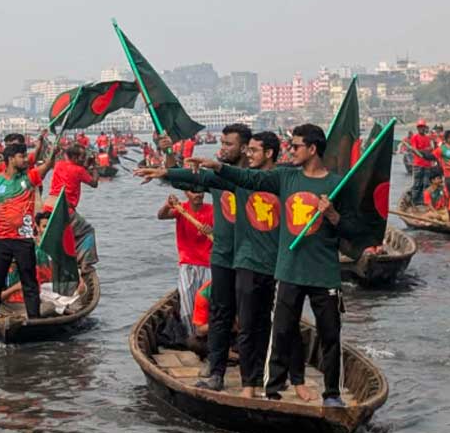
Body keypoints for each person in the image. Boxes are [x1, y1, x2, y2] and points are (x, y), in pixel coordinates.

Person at [184, 124, 361, 408]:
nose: (290, 150)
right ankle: (273, 390)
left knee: (330, 334)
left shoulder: (337, 185)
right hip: (289, 269)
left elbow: (355, 230)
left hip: (324, 272)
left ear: (312, 149)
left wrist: (333, 215)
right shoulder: (285, 178)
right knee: (280, 331)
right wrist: (218, 167)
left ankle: (332, 395)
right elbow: (248, 179)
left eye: (296, 146)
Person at [144, 123, 252, 395]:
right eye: (222, 143)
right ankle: (216, 369)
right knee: (219, 313)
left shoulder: (258, 179)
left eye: (229, 144)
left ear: (245, 148)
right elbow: (184, 179)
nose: (222, 148)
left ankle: (254, 369)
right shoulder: (215, 179)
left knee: (253, 316)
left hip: (251, 258)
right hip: (220, 258)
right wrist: (167, 159)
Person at [0, 143, 56, 319]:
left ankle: (33, 318)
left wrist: (52, 155)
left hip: (23, 238)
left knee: (29, 281)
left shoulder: (29, 178)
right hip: (1, 238)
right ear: (10, 159)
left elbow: (46, 167)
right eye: (21, 156)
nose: (25, 159)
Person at [156, 190, 213, 337]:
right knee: (187, 306)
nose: (197, 195)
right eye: (193, 192)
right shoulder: (181, 209)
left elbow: (223, 233)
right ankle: (191, 337)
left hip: (208, 265)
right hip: (187, 264)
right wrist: (168, 205)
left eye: (200, 191)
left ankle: (208, 337)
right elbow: (161, 216)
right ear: (186, 193)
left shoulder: (212, 211)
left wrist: (213, 230)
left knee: (208, 303)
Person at [48, 144, 98, 210]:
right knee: (81, 221)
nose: (84, 160)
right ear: (74, 157)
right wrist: (94, 167)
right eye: (83, 157)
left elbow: (72, 171)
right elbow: (94, 184)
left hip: (50, 203)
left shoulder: (58, 164)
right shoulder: (80, 170)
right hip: (65, 208)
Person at [407, 119, 437, 204]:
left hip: (427, 164)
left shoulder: (428, 138)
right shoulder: (415, 137)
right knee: (417, 184)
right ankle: (414, 201)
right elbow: (415, 150)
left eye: (422, 127)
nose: (421, 129)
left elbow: (431, 149)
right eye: (420, 127)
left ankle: (424, 201)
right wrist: (425, 151)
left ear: (425, 128)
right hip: (418, 164)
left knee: (426, 184)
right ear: (417, 128)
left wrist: (426, 151)